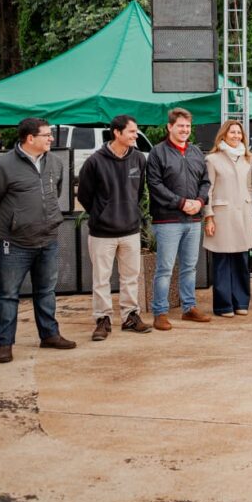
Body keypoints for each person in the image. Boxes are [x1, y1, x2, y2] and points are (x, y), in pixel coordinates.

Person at [0, 117, 74, 364]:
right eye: (46, 135)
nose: (51, 138)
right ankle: (5, 345)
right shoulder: (2, 166)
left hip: (48, 240)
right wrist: (7, 228)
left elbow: (56, 192)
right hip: (15, 244)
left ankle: (50, 335)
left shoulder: (54, 162)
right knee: (8, 295)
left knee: (46, 291)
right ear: (30, 138)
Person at [77, 114, 152, 341]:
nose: (135, 135)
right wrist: (101, 214)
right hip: (102, 232)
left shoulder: (138, 158)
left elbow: (138, 192)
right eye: (131, 131)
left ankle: (131, 317)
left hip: (130, 230)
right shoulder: (94, 161)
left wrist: (131, 213)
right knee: (101, 279)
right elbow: (84, 196)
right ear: (117, 133)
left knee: (131, 277)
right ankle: (103, 320)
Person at [147, 107, 212, 330]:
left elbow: (205, 182)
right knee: (164, 269)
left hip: (193, 220)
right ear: (170, 127)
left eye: (187, 126)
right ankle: (160, 312)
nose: (185, 130)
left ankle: (189, 308)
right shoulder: (158, 152)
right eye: (180, 126)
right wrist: (181, 202)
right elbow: (155, 185)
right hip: (168, 220)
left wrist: (200, 202)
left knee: (190, 267)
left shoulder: (195, 152)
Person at [203, 120, 252, 317]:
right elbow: (207, 189)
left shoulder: (246, 159)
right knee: (222, 261)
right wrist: (209, 217)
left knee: (242, 261)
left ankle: (241, 302)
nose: (236, 136)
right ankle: (223, 306)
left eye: (239, 133)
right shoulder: (213, 159)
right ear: (223, 135)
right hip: (222, 215)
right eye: (232, 132)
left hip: (243, 214)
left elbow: (249, 190)